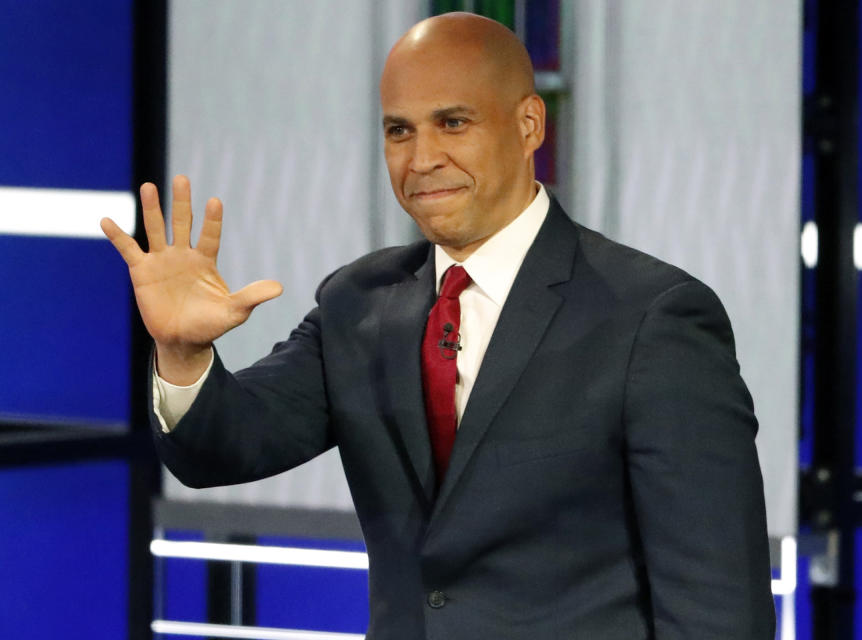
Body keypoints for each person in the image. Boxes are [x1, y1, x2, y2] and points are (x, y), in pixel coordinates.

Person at [102, 12, 775, 640]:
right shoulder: (360, 302)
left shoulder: (652, 318)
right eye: (400, 130)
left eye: (453, 124)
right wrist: (183, 353)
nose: (421, 159)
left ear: (529, 124)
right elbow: (224, 448)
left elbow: (717, 603)